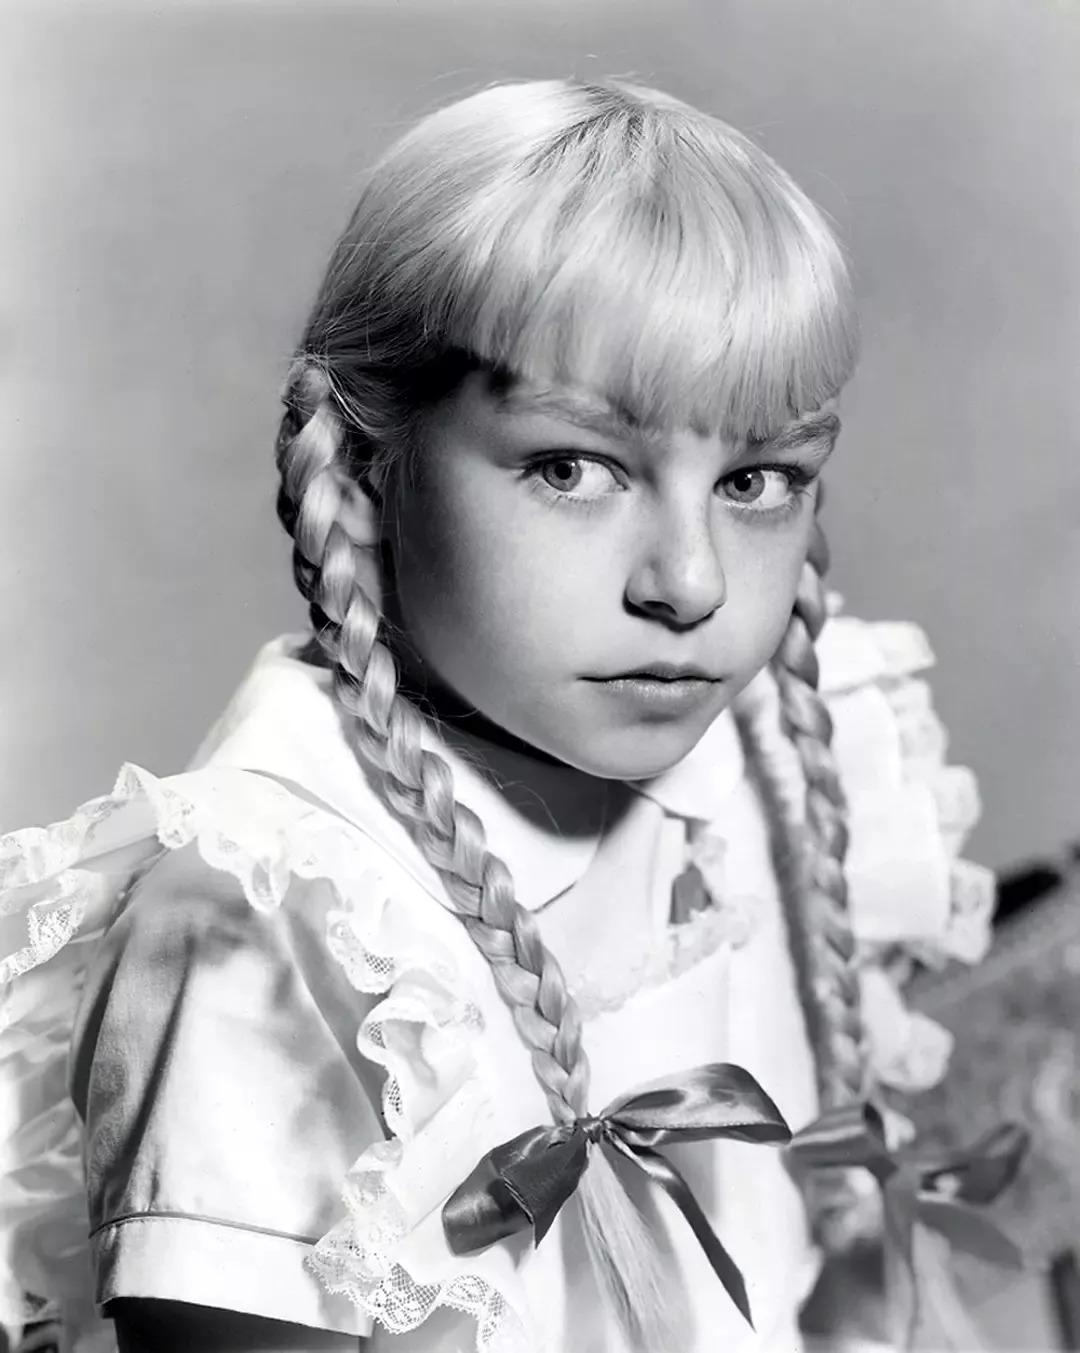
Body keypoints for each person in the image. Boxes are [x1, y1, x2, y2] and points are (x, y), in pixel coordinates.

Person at [0, 78, 997, 1353]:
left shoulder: (783, 756)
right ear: (366, 469)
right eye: (572, 468)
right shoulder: (271, 925)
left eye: (755, 480)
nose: (690, 583)